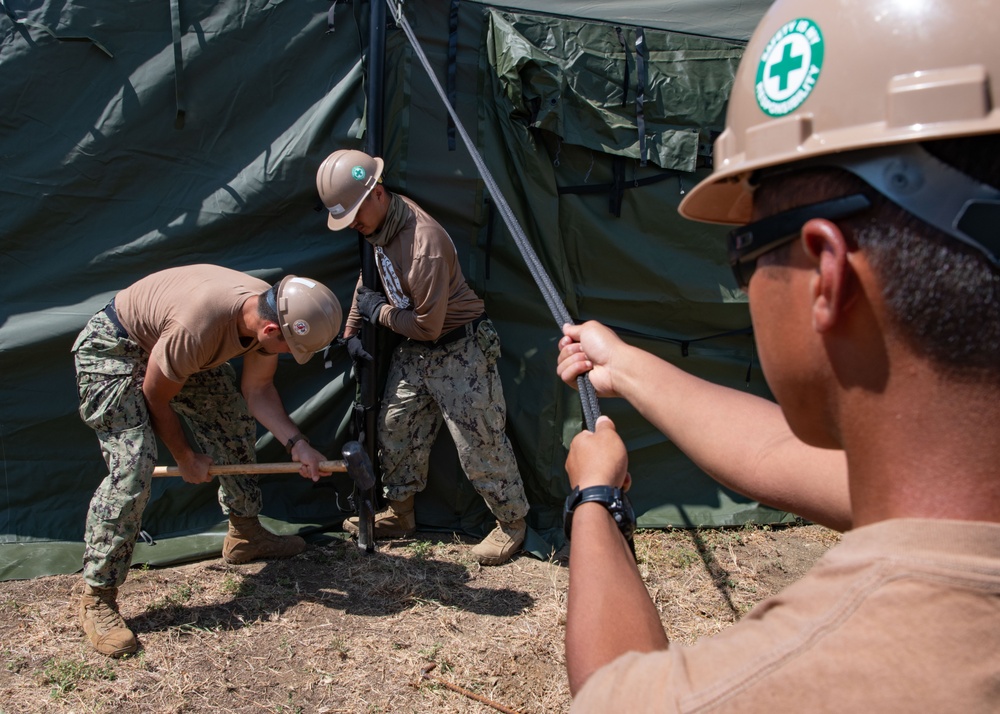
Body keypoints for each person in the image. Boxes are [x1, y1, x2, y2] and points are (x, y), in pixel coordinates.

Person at [557, 0, 1000, 710]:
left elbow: (611, 691)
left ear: (826, 273)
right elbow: (774, 457)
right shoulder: (950, 485)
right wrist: (625, 366)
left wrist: (595, 498)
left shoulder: (789, 686)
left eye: (747, 251)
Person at [72, 264, 342, 657]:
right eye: (291, 348)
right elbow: (155, 397)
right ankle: (98, 596)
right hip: (114, 348)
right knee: (133, 466)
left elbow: (258, 389)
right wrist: (185, 457)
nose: (290, 356)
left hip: (170, 349)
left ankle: (245, 533)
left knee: (230, 420)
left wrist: (296, 443)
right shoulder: (199, 327)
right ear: (270, 331)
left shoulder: (270, 308)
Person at [316, 149, 530, 566]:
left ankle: (512, 524)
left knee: (479, 441)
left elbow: (427, 326)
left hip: (458, 346)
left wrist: (377, 313)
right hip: (417, 349)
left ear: (378, 193)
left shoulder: (423, 243)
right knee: (395, 428)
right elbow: (371, 276)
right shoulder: (378, 225)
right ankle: (401, 513)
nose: (354, 225)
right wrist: (351, 329)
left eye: (356, 214)